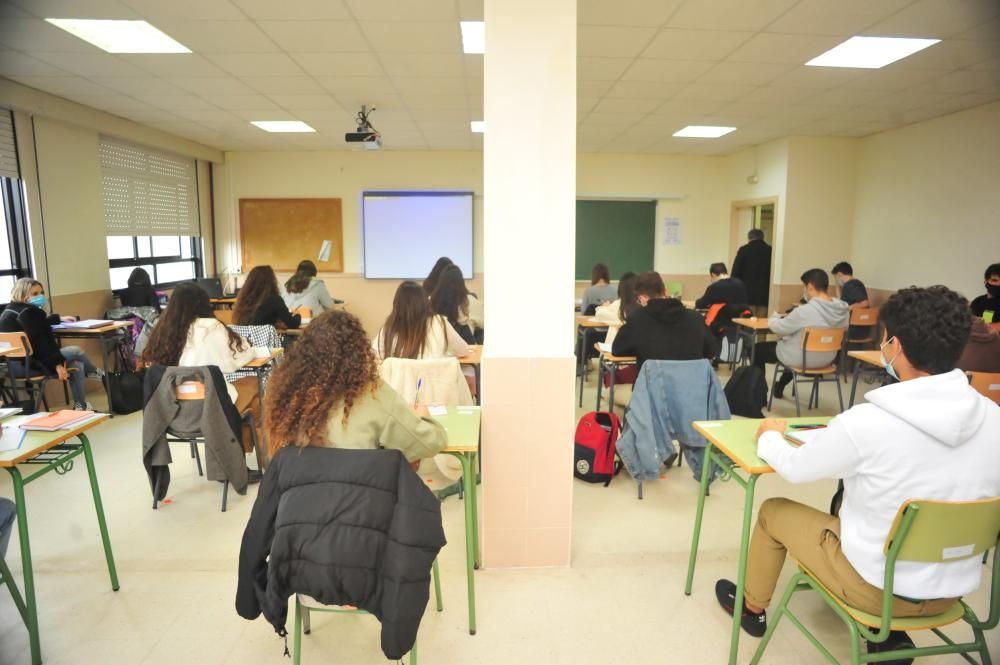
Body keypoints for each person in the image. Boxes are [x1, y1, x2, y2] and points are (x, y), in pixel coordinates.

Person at [715, 286, 1000, 662]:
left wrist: (770, 438)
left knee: (773, 511)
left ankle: (751, 609)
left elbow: (796, 469)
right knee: (855, 503)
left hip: (876, 590)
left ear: (894, 345)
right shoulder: (993, 417)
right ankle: (889, 638)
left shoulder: (867, 422)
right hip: (953, 591)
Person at [263, 309, 447, 463]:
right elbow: (428, 443)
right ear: (358, 354)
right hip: (361, 502)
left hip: (298, 503)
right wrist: (425, 418)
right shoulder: (374, 395)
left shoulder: (286, 396)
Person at [142, 282, 256, 414]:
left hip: (173, 410)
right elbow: (236, 360)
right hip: (211, 408)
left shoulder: (163, 332)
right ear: (203, 303)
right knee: (253, 386)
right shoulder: (211, 327)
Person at [0, 278, 103, 410]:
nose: (41, 296)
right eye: (35, 294)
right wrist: (57, 365)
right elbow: (41, 344)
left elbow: (33, 325)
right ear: (23, 295)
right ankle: (95, 373)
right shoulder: (31, 313)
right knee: (75, 350)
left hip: (10, 367)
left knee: (76, 365)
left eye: (41, 292)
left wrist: (57, 318)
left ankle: (81, 406)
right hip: (30, 364)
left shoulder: (8, 312)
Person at [753, 269, 849, 399]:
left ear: (810, 286)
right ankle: (780, 385)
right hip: (827, 359)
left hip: (802, 359)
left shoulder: (805, 311)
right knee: (797, 344)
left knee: (758, 350)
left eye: (804, 287)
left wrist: (773, 319)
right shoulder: (843, 311)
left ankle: (759, 394)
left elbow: (780, 328)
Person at [611, 271, 718, 372]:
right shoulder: (696, 318)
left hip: (651, 389)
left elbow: (617, 349)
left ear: (643, 297)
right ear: (666, 291)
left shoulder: (637, 319)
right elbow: (712, 350)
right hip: (688, 389)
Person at [373, 281, 469, 360]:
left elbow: (374, 354)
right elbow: (463, 350)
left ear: (397, 305)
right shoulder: (439, 322)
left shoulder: (390, 327)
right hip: (432, 382)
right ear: (425, 302)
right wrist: (444, 354)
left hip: (399, 383)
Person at [233, 265, 300, 329]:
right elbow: (293, 324)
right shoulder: (275, 300)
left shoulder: (243, 300)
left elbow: (257, 321)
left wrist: (274, 323)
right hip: (265, 340)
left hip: (245, 340)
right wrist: (297, 315)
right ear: (272, 281)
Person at [430, 264, 482, 344]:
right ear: (462, 282)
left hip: (437, 348)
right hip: (464, 350)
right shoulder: (469, 301)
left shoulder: (431, 300)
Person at [731, 229, 772, 316]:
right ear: (763, 238)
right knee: (761, 324)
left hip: (747, 294)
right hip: (765, 295)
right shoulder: (770, 250)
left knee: (747, 323)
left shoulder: (744, 250)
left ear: (749, 238)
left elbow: (735, 272)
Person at [595, 271, 638, 346]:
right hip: (638, 352)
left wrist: (604, 307)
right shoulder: (643, 305)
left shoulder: (618, 305)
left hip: (617, 350)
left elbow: (599, 314)